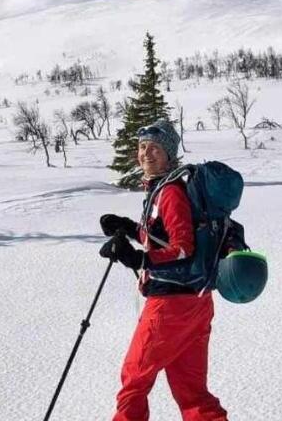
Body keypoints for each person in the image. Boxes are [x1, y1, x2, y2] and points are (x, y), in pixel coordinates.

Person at [99, 118, 228, 421]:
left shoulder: (169, 193)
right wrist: (130, 228)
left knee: (134, 379)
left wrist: (139, 260)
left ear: (170, 154)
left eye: (155, 148)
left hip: (170, 306)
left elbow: (183, 248)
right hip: (196, 302)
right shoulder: (163, 191)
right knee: (192, 391)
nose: (146, 154)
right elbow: (163, 237)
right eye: (142, 147)